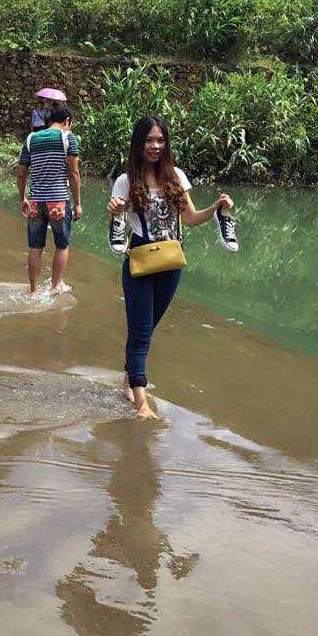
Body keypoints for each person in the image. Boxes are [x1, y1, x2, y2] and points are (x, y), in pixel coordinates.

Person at [108, 116, 235, 420]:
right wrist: (116, 212)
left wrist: (217, 209)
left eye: (160, 140)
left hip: (171, 263)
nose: (155, 146)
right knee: (140, 334)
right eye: (149, 140)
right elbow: (119, 217)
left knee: (147, 330)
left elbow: (190, 218)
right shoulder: (126, 180)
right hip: (140, 264)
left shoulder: (175, 175)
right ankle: (140, 402)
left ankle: (129, 378)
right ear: (138, 143)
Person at [18, 103, 82, 298]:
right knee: (62, 245)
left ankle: (34, 291)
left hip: (36, 202)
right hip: (58, 202)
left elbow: (21, 174)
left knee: (35, 247)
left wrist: (23, 198)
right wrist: (78, 203)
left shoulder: (31, 139)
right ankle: (55, 287)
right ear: (67, 121)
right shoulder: (68, 137)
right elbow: (73, 173)